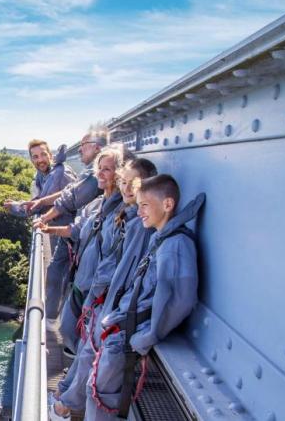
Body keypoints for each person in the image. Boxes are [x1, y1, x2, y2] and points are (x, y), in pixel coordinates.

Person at [84, 176, 204, 421]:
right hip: (123, 330)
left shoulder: (174, 245)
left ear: (167, 204)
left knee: (101, 395)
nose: (138, 212)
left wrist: (148, 336)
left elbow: (179, 300)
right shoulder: (161, 238)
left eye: (144, 205)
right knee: (98, 389)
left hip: (130, 336)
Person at [47, 158, 157, 420]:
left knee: (92, 362)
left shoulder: (137, 224)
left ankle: (64, 407)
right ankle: (64, 397)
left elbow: (125, 271)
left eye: (135, 183)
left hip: (110, 305)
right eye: (124, 181)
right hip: (100, 299)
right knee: (86, 352)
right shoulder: (116, 211)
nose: (128, 187)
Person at [36, 146, 128, 355]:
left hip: (97, 290)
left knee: (84, 340)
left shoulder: (122, 214)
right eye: (99, 168)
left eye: (108, 169)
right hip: (81, 280)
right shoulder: (96, 205)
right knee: (69, 330)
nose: (100, 174)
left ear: (119, 173)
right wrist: (48, 228)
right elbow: (75, 230)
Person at [29, 130, 107, 321]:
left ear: (97, 147)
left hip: (79, 236)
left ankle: (54, 320)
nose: (79, 150)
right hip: (77, 232)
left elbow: (69, 198)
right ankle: (57, 318)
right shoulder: (85, 172)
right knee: (61, 272)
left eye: (84, 145)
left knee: (62, 273)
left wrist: (44, 216)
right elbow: (69, 193)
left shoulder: (86, 174)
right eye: (35, 156)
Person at [4, 139, 76, 254]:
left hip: (68, 237)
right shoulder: (43, 175)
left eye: (43, 154)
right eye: (35, 157)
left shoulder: (61, 174)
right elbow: (41, 199)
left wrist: (16, 207)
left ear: (50, 156)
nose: (40, 160)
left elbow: (38, 206)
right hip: (57, 232)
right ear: (32, 160)